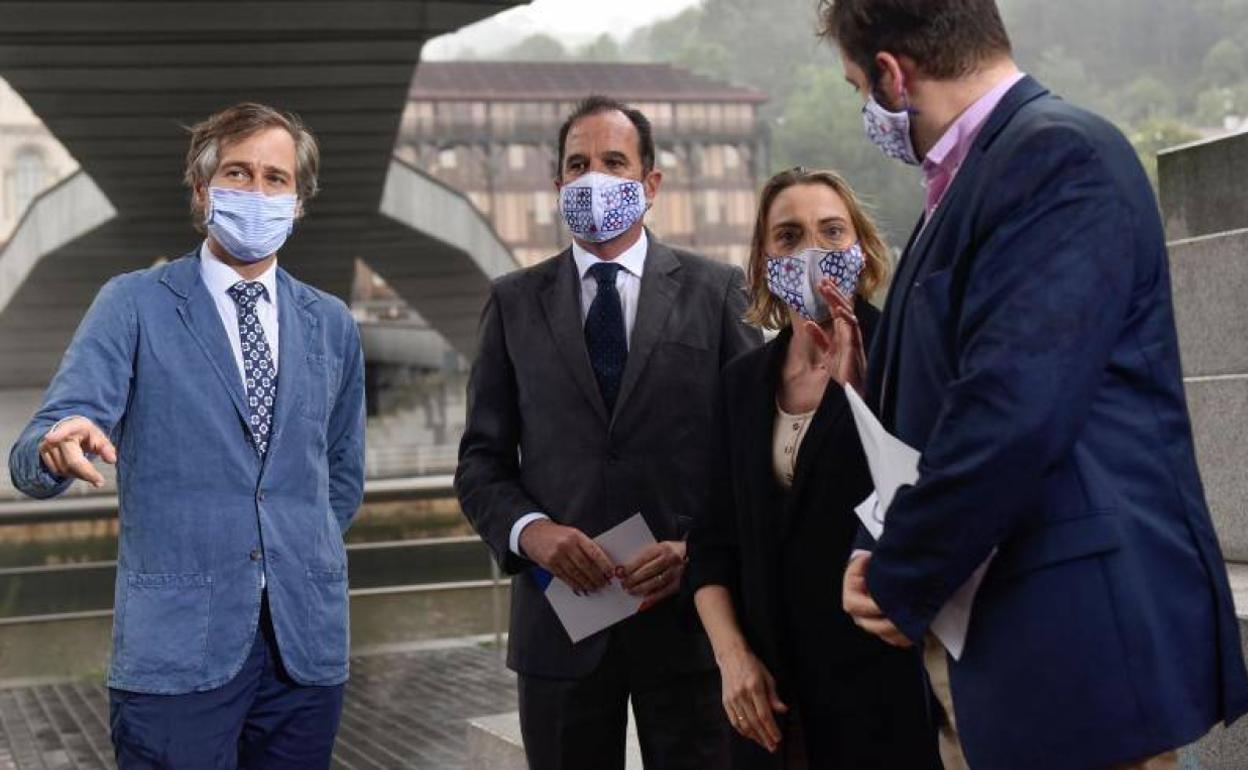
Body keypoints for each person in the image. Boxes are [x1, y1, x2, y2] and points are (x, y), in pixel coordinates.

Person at [816, 1, 1248, 768]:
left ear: (892, 73)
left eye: (859, 88)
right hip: (993, 649)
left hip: (1071, 654)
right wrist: (873, 543)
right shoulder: (962, 183)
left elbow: (1011, 408)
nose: (868, 113)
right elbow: (924, 413)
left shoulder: (1058, 157)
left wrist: (900, 568)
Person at [8, 102, 366, 769]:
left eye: (275, 179)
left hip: (305, 648)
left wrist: (292, 550)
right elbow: (34, 449)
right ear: (203, 191)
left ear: (298, 201)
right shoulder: (134, 304)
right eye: (238, 173)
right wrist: (57, 448)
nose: (256, 192)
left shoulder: (332, 323)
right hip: (175, 653)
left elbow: (342, 473)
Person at [454, 94, 761, 769]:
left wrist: (697, 549)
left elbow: (753, 452)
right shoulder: (511, 302)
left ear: (651, 183)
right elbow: (480, 463)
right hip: (560, 629)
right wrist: (533, 533)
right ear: (557, 183)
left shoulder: (716, 292)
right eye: (577, 164)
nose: (594, 177)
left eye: (614, 162)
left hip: (690, 624)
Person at [686, 167, 940, 769]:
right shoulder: (742, 382)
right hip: (768, 706)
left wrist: (859, 391)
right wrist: (732, 658)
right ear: (762, 256)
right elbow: (711, 539)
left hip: (882, 690)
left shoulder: (905, 356)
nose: (812, 253)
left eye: (831, 232)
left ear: (861, 247)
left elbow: (923, 497)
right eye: (789, 236)